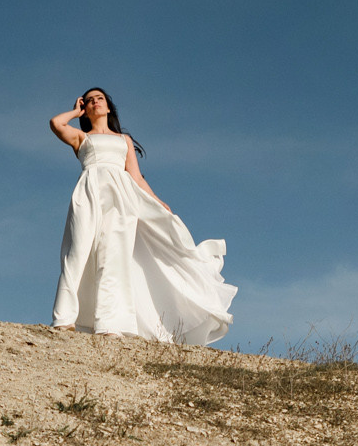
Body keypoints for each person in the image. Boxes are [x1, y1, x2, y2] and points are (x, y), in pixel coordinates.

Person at [48, 88, 232, 344]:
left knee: (112, 257)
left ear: (108, 107)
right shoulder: (82, 137)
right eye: (89, 101)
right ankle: (64, 318)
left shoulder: (123, 140)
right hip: (88, 195)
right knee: (76, 252)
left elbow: (135, 176)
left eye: (99, 98)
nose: (94, 102)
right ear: (84, 109)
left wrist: (157, 200)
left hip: (121, 200)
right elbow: (56, 123)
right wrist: (75, 112)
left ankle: (109, 323)